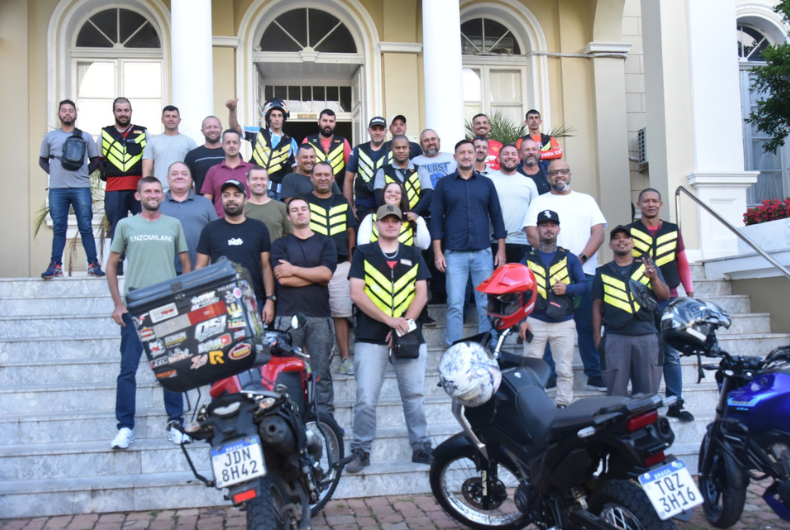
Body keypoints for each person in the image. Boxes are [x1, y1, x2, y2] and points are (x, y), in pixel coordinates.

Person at [346, 204, 433, 473]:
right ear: (377, 225)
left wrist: (403, 325)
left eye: (396, 220)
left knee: (414, 395)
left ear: (402, 225)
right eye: (386, 220)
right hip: (370, 336)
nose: (391, 224)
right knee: (365, 398)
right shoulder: (363, 252)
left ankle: (421, 446)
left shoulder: (414, 253)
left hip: (408, 335)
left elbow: (422, 293)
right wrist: (389, 321)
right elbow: (356, 293)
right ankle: (361, 450)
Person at [106, 176, 190, 449]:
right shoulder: (126, 225)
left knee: (172, 366)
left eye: (157, 191)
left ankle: (175, 423)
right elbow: (111, 265)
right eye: (148, 191)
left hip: (166, 306)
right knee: (127, 369)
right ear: (138, 196)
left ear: (162, 196)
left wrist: (181, 297)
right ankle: (125, 427)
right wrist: (118, 304)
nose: (153, 195)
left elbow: (186, 263)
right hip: (135, 305)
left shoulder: (173, 224)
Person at [524, 160, 607, 391]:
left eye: (563, 171)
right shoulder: (539, 201)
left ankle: (594, 373)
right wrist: (556, 262)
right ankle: (548, 375)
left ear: (570, 174)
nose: (559, 175)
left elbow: (598, 234)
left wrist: (578, 261)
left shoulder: (586, 200)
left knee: (588, 324)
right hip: (547, 276)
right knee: (547, 321)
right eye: (554, 172)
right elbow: (531, 234)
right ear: (547, 177)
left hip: (584, 274)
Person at [628, 188, 696, 421]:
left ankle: (675, 403)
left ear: (661, 204)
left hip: (669, 300)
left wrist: (689, 293)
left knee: (671, 354)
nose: (650, 204)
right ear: (638, 204)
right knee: (641, 354)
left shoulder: (672, 230)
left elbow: (682, 263)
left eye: (654, 201)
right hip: (639, 301)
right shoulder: (629, 231)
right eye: (645, 201)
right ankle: (641, 403)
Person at [431, 139, 506, 346]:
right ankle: (453, 348)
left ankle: (486, 348)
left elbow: (497, 217)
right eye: (462, 152)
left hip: (483, 253)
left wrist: (501, 249)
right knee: (455, 304)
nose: (466, 156)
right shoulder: (444, 184)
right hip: (454, 253)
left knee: (485, 303)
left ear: (475, 156)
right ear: (455, 157)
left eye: (469, 152)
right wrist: (437, 252)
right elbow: (436, 220)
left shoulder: (486, 184)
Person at [271, 197, 338, 415]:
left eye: (304, 209)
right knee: (287, 373)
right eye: (295, 210)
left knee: (322, 372)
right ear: (288, 217)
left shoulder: (326, 242)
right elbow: (283, 279)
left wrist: (294, 269)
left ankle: (326, 420)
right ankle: (289, 419)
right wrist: (315, 277)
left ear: (310, 213)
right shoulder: (280, 244)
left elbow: (326, 274)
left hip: (320, 316)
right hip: (287, 316)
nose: (300, 212)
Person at [519, 210, 586, 407]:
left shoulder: (569, 258)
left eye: (552, 225)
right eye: (544, 225)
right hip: (535, 321)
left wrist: (567, 289)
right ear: (537, 230)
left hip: (564, 322)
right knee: (531, 368)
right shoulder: (527, 259)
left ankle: (563, 404)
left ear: (558, 229)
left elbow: (583, 285)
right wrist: (522, 321)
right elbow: (519, 293)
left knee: (564, 369)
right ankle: (534, 405)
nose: (548, 229)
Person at [592, 226, 669, 396]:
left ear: (632, 243)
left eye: (626, 237)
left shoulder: (647, 266)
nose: (621, 240)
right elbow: (597, 306)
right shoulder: (603, 272)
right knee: (615, 395)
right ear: (610, 245)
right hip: (615, 337)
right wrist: (597, 337)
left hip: (646, 336)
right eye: (616, 238)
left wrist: (654, 278)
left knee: (648, 393)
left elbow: (664, 295)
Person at [39, 99, 104, 279]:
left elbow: (95, 161)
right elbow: (42, 160)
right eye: (64, 110)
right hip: (57, 189)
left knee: (86, 227)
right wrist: (54, 173)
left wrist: (83, 175)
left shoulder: (86, 137)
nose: (67, 113)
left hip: (81, 188)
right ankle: (55, 266)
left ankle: (93, 264)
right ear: (59, 114)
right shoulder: (50, 137)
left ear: (75, 114)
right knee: (59, 228)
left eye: (70, 110)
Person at [195, 179, 275, 325]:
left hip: (254, 299)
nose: (231, 199)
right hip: (219, 301)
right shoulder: (210, 229)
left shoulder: (259, 228)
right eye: (226, 195)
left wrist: (270, 299)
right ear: (221, 200)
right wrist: (204, 300)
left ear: (245, 200)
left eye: (236, 195)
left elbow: (266, 267)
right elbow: (200, 267)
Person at [305, 162, 356, 374]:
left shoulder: (342, 202)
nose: (323, 178)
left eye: (327, 175)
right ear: (311, 178)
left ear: (333, 178)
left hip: (340, 265)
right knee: (309, 314)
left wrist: (351, 261)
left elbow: (351, 232)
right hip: (311, 267)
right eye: (318, 175)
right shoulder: (303, 202)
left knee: (341, 313)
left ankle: (345, 359)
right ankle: (307, 362)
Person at [100, 97, 150, 276]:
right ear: (114, 112)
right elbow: (99, 160)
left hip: (139, 190)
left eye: (126, 110)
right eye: (119, 110)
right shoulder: (104, 134)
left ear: (131, 112)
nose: (123, 113)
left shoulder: (143, 133)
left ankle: (142, 263)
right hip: (114, 189)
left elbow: (149, 158)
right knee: (117, 229)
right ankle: (117, 264)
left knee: (143, 227)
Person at [412, 129, 456, 306]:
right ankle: (436, 293)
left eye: (433, 139)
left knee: (451, 254)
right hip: (427, 216)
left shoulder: (452, 159)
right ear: (421, 144)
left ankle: (451, 293)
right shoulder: (415, 162)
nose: (430, 142)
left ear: (439, 140)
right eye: (426, 140)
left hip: (450, 215)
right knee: (430, 255)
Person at [227, 98, 298, 200]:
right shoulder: (257, 132)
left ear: (284, 118)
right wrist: (232, 110)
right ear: (268, 117)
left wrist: (291, 191)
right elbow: (235, 129)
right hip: (254, 188)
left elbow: (296, 169)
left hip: (278, 192)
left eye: (280, 115)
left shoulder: (291, 141)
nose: (277, 119)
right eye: (273, 115)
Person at [159, 162, 217, 273]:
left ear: (191, 180)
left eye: (184, 174)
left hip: (199, 271)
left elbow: (215, 235)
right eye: (174, 174)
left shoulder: (205, 203)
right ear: (167, 179)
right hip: (165, 271)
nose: (179, 176)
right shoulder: (158, 204)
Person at [487, 144, 539, 264]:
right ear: (498, 159)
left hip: (523, 242)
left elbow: (536, 213)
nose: (510, 156)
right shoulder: (488, 181)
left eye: (513, 154)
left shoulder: (528, 182)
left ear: (519, 158)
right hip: (493, 242)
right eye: (506, 154)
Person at [358, 181, 431, 249]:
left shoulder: (410, 219)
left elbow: (424, 246)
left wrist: (419, 220)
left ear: (402, 197)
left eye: (397, 192)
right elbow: (363, 245)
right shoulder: (371, 217)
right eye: (389, 191)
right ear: (383, 195)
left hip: (405, 258)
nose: (393, 194)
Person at [344, 117, 391, 220]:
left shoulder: (392, 151)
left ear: (386, 131)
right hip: (362, 206)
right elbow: (348, 180)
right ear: (368, 130)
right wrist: (350, 207)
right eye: (374, 129)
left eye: (381, 129)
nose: (377, 132)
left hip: (387, 205)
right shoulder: (358, 150)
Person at [373, 135, 433, 215]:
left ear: (409, 149)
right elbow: (379, 197)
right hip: (391, 217)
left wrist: (415, 213)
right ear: (391, 149)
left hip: (416, 217)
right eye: (397, 148)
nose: (401, 151)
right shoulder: (383, 171)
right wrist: (393, 214)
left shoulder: (420, 170)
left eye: (404, 147)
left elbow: (428, 195)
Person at [200, 129, 254, 217]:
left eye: (235, 142)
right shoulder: (213, 170)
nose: (231, 145)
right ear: (222, 145)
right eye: (228, 142)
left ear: (239, 144)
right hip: (220, 220)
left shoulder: (251, 169)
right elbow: (206, 201)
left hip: (248, 219)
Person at [141, 106, 197, 190]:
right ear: (162, 120)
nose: (171, 119)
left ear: (179, 120)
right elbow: (146, 172)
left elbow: (196, 169)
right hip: (159, 191)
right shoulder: (152, 142)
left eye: (174, 116)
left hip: (184, 191)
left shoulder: (189, 142)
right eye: (167, 116)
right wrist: (147, 189)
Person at [303, 109, 352, 190]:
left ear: (335, 123)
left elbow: (351, 169)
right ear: (318, 122)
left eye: (331, 121)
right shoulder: (308, 140)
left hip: (337, 191)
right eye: (325, 120)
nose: (328, 124)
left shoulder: (343, 142)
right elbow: (301, 167)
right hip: (312, 190)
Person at [244, 166, 291, 241]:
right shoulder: (241, 209)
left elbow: (289, 237)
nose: (259, 183)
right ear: (247, 182)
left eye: (262, 179)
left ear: (268, 181)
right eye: (254, 179)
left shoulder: (282, 208)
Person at [184, 116, 226, 195]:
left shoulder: (231, 154)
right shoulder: (193, 155)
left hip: (229, 201)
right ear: (202, 131)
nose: (212, 130)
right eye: (208, 127)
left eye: (215, 127)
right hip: (202, 201)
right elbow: (187, 184)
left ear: (221, 129)